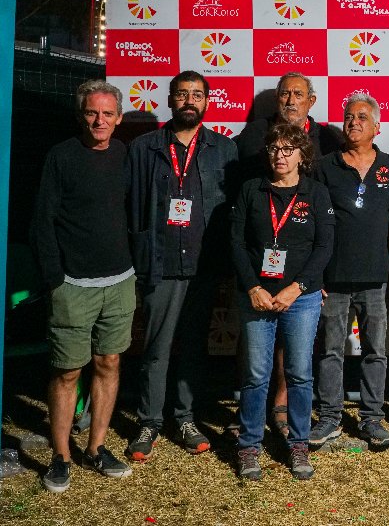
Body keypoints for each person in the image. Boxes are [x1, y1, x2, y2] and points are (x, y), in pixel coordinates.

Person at [124, 71, 238, 461]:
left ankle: (186, 419)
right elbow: (130, 205)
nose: (190, 101)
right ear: (171, 99)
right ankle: (149, 422)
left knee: (193, 348)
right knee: (156, 349)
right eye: (183, 94)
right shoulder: (144, 147)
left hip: (203, 266)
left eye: (197, 95)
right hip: (160, 264)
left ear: (207, 101)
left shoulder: (224, 149)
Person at [31, 80, 136, 492]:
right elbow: (42, 221)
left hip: (120, 282)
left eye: (107, 114)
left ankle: (96, 447)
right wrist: (55, 280)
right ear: (81, 115)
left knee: (109, 362)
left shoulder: (125, 154)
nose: (99, 121)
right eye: (92, 113)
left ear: (119, 118)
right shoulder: (61, 156)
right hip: (72, 285)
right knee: (67, 371)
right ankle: (60, 455)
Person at [235, 72, 337, 438]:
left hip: (303, 277)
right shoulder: (254, 138)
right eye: (284, 94)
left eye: (298, 94)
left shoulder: (329, 140)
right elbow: (238, 235)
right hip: (259, 278)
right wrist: (250, 284)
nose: (290, 100)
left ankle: (293, 429)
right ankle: (250, 435)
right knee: (256, 366)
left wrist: (310, 281)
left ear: (311, 100)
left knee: (298, 367)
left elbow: (327, 238)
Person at [310, 93, 389, 449]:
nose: (353, 122)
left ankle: (371, 419)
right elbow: (313, 223)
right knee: (331, 350)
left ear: (377, 126)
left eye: (362, 117)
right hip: (333, 277)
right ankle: (330, 418)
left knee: (375, 351)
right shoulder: (324, 166)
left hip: (376, 277)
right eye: (348, 116)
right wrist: (315, 275)